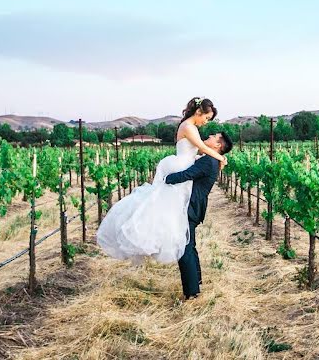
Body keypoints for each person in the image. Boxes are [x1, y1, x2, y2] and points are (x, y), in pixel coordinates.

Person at [96, 97, 228, 265]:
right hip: (181, 166)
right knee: (167, 207)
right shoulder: (189, 126)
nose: (206, 122)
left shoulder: (191, 127)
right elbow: (203, 149)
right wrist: (221, 159)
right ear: (199, 112)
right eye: (206, 118)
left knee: (171, 209)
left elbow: (198, 152)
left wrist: (217, 159)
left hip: (185, 162)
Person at [165, 129, 233, 299]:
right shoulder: (211, 160)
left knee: (184, 247)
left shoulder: (209, 161)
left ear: (218, 145)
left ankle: (192, 293)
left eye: (213, 137)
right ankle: (196, 281)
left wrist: (166, 178)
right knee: (190, 245)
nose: (208, 136)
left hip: (191, 207)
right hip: (195, 206)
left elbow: (187, 175)